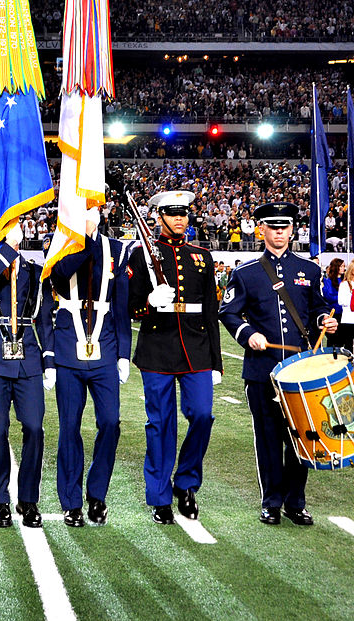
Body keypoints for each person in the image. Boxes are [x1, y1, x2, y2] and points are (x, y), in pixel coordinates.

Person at [219, 202, 337, 526]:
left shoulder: (310, 271)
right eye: (273, 227)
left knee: (301, 438)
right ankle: (271, 501)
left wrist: (325, 319)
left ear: (293, 230)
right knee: (269, 439)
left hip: (301, 371)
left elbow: (317, 307)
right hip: (262, 371)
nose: (280, 232)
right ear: (262, 230)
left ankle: (295, 502)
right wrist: (249, 334)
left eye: (285, 227)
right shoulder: (245, 273)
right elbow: (227, 312)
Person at [127, 191, 221, 525]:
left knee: (203, 415)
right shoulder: (141, 254)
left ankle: (186, 483)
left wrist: (217, 362)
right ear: (158, 217)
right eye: (173, 213)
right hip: (157, 347)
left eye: (184, 214)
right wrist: (150, 301)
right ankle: (159, 495)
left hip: (195, 349)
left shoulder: (201, 256)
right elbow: (131, 307)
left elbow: (210, 309)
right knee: (160, 424)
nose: (181, 219)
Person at [45, 208, 135, 528]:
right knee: (69, 428)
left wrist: (124, 354)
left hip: (106, 350)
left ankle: (97, 494)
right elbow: (59, 276)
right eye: (82, 208)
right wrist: (82, 239)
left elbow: (121, 307)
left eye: (93, 208)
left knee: (110, 422)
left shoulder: (118, 249)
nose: (89, 213)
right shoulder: (59, 245)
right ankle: (71, 501)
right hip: (68, 350)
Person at [0, 221, 52, 529]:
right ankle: (0, 500)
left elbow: (43, 316)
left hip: (28, 357)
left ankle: (28, 498)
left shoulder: (32, 269)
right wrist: (8, 249)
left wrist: (50, 357)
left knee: (34, 427)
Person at [333, 260, 354, 349]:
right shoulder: (344, 284)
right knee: (349, 346)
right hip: (348, 320)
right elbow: (341, 301)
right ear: (351, 270)